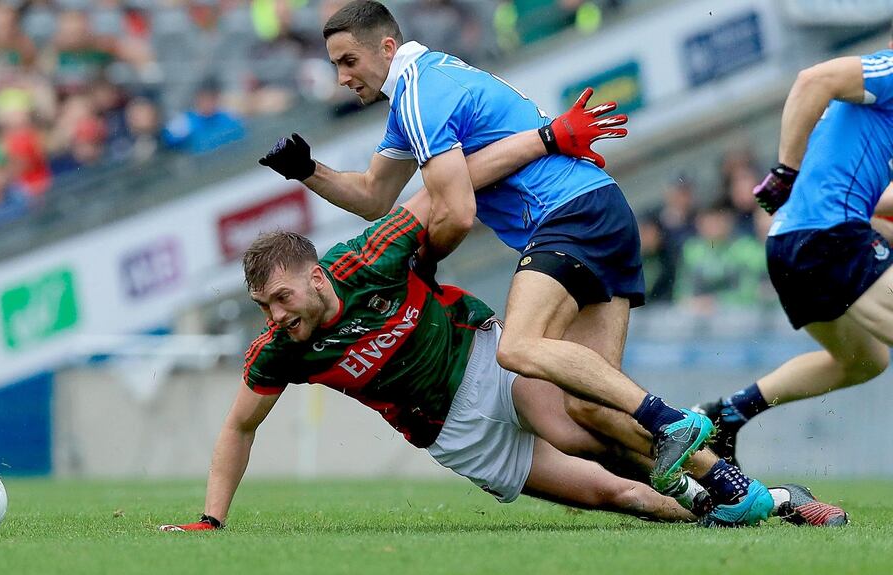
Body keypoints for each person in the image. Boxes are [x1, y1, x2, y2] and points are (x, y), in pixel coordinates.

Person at [258, 0, 770, 524]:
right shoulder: (426, 87)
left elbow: (456, 212)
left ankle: (670, 421)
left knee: (519, 347)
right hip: (601, 208)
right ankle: (752, 494)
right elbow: (373, 196)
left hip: (568, 214)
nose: (342, 77)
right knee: (590, 403)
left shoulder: (419, 97)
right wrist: (308, 170)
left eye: (348, 61)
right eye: (335, 65)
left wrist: (425, 262)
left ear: (387, 48)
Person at [158, 195, 846, 531]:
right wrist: (212, 520)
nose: (275, 316)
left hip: (489, 360)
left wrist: (545, 146)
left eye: (280, 298)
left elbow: (451, 195)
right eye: (262, 306)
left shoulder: (372, 256)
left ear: (313, 276)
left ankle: (766, 495)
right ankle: (729, 501)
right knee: (623, 494)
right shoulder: (282, 348)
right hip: (458, 436)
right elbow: (238, 428)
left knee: (585, 426)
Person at [694, 32, 893, 481]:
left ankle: (725, 415)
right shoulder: (888, 73)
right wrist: (785, 169)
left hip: (792, 243)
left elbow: (876, 198)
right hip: (828, 236)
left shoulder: (873, 123)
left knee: (864, 361)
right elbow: (811, 79)